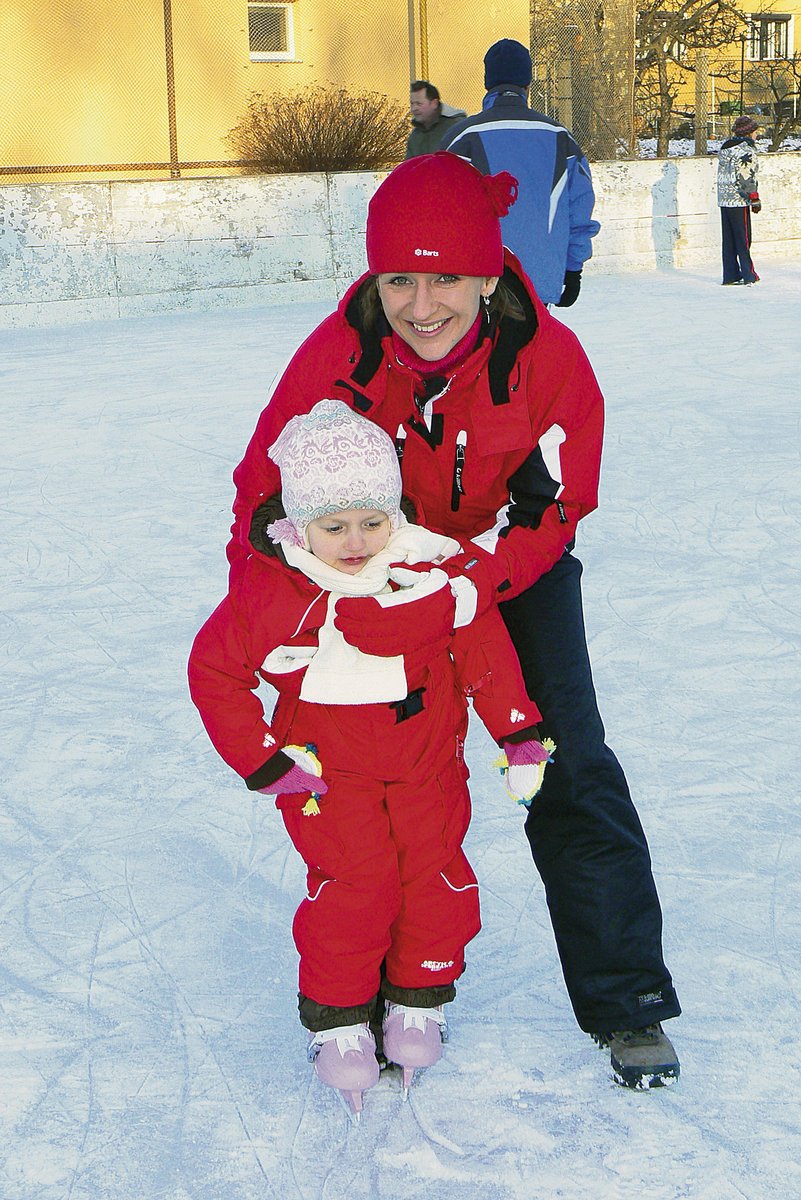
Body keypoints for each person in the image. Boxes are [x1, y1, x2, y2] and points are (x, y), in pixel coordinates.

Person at [226, 152, 681, 1091]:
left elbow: (557, 506)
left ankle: (627, 1002)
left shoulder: (545, 361)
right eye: (399, 278)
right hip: (364, 575)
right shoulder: (337, 358)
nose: (421, 304)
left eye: (446, 278)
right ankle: (372, 998)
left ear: (486, 275)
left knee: (565, 763)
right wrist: (279, 601)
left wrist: (470, 584)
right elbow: (262, 497)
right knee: (362, 788)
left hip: (508, 573)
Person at [189, 398, 550, 1116]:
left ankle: (417, 999)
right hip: (326, 778)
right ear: (299, 525)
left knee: (433, 875)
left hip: (427, 771)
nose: (354, 541)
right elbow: (215, 673)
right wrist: (264, 761)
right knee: (355, 887)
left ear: (395, 513)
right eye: (333, 526)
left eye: (371, 521)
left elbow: (485, 657)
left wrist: (518, 735)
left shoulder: (427, 579)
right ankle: (339, 1018)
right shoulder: (274, 592)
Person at [439, 38, 599, 308]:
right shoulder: (560, 138)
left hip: (478, 284)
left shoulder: (462, 137)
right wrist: (574, 270)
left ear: (488, 82)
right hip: (539, 285)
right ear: (527, 83)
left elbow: (439, 211)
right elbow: (579, 208)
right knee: (530, 349)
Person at [717, 115, 762, 286]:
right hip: (739, 199)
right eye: (755, 131)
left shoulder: (726, 148)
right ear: (748, 133)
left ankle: (730, 275)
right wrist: (754, 198)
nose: (756, 135)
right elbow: (746, 176)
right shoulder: (746, 151)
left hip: (724, 199)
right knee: (743, 239)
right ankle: (748, 274)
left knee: (728, 241)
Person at [406, 80, 466, 159]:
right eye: (412, 103)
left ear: (434, 103)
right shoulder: (415, 136)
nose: (414, 108)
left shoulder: (456, 127)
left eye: (419, 104)